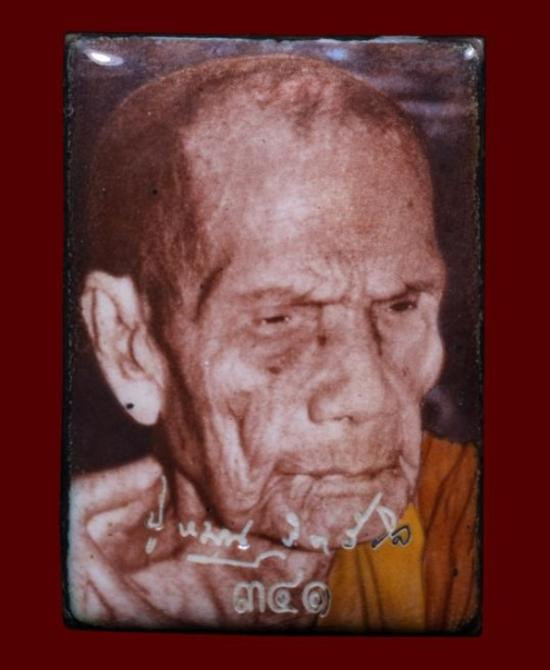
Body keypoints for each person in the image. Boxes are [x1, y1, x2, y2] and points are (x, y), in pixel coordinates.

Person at [66, 54, 479, 632]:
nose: (367, 395)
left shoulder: (469, 516)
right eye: (279, 319)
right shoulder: (68, 582)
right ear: (130, 345)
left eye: (400, 306)